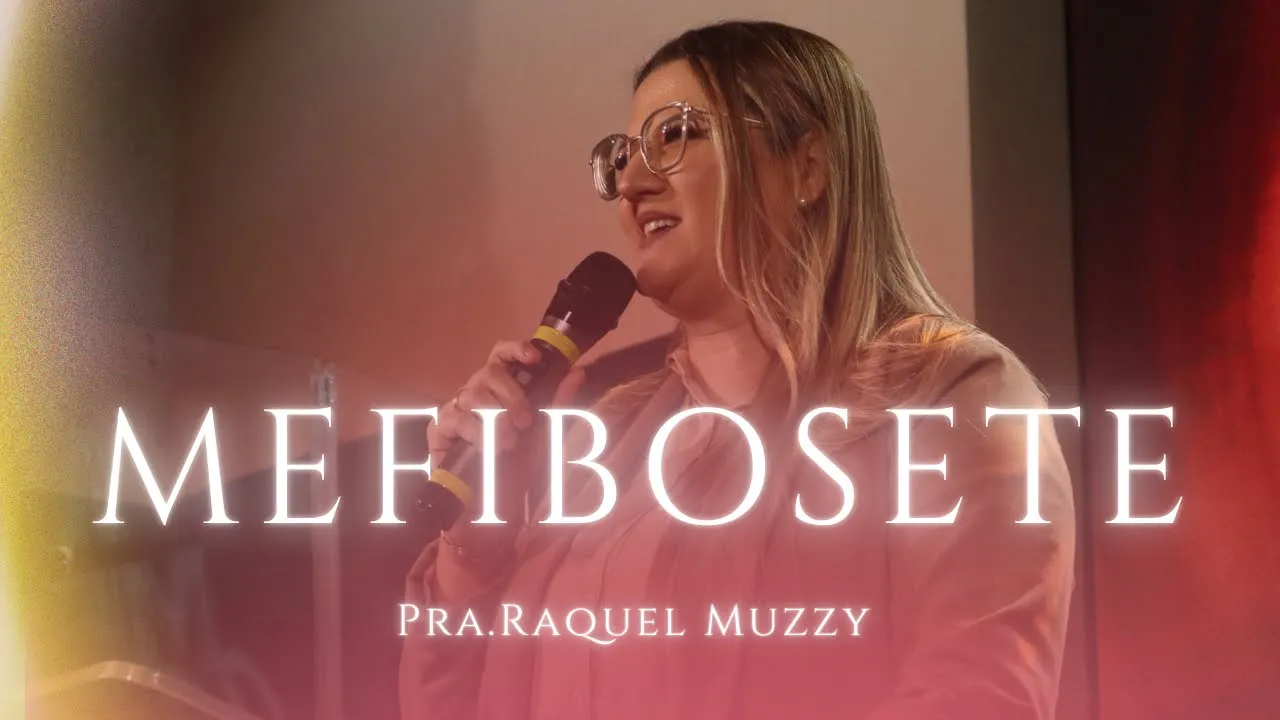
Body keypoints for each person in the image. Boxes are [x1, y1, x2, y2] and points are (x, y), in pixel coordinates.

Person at [400, 20, 1075, 720]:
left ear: (808, 167)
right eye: (622, 158)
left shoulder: (952, 394)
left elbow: (977, 695)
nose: (631, 183)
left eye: (676, 134)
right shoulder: (603, 444)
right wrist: (476, 541)